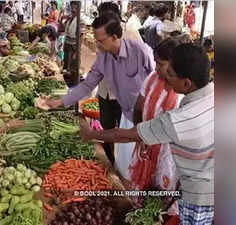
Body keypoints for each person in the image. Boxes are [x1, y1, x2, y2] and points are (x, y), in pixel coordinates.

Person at [79, 43, 214, 225]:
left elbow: (125, 135)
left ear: (187, 83)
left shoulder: (182, 119)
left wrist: (91, 134)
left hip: (198, 195)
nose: (166, 79)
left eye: (171, 76)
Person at [39, 13, 155, 154]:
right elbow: (87, 85)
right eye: (96, 39)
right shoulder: (103, 58)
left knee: (149, 156)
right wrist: (59, 102)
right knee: (133, 157)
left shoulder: (140, 51)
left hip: (149, 115)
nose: (96, 44)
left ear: (114, 37)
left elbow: (157, 80)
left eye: (100, 40)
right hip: (129, 115)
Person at [125, 38, 185, 208]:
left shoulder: (182, 91)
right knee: (140, 194)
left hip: (168, 155)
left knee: (160, 199)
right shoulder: (152, 78)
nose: (157, 68)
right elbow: (138, 107)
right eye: (156, 63)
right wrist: (141, 135)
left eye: (161, 64)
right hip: (144, 145)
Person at [94, 2, 143, 165]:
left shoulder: (130, 32)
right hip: (104, 91)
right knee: (106, 127)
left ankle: (126, 167)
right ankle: (110, 161)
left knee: (125, 132)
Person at [61, 1, 86, 85]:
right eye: (72, 7)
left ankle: (74, 82)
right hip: (67, 44)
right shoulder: (70, 18)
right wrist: (62, 19)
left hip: (74, 46)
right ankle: (68, 80)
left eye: (75, 7)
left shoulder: (81, 21)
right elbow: (63, 28)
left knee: (74, 65)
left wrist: (77, 51)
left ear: (79, 9)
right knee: (67, 62)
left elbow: (81, 36)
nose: (73, 9)